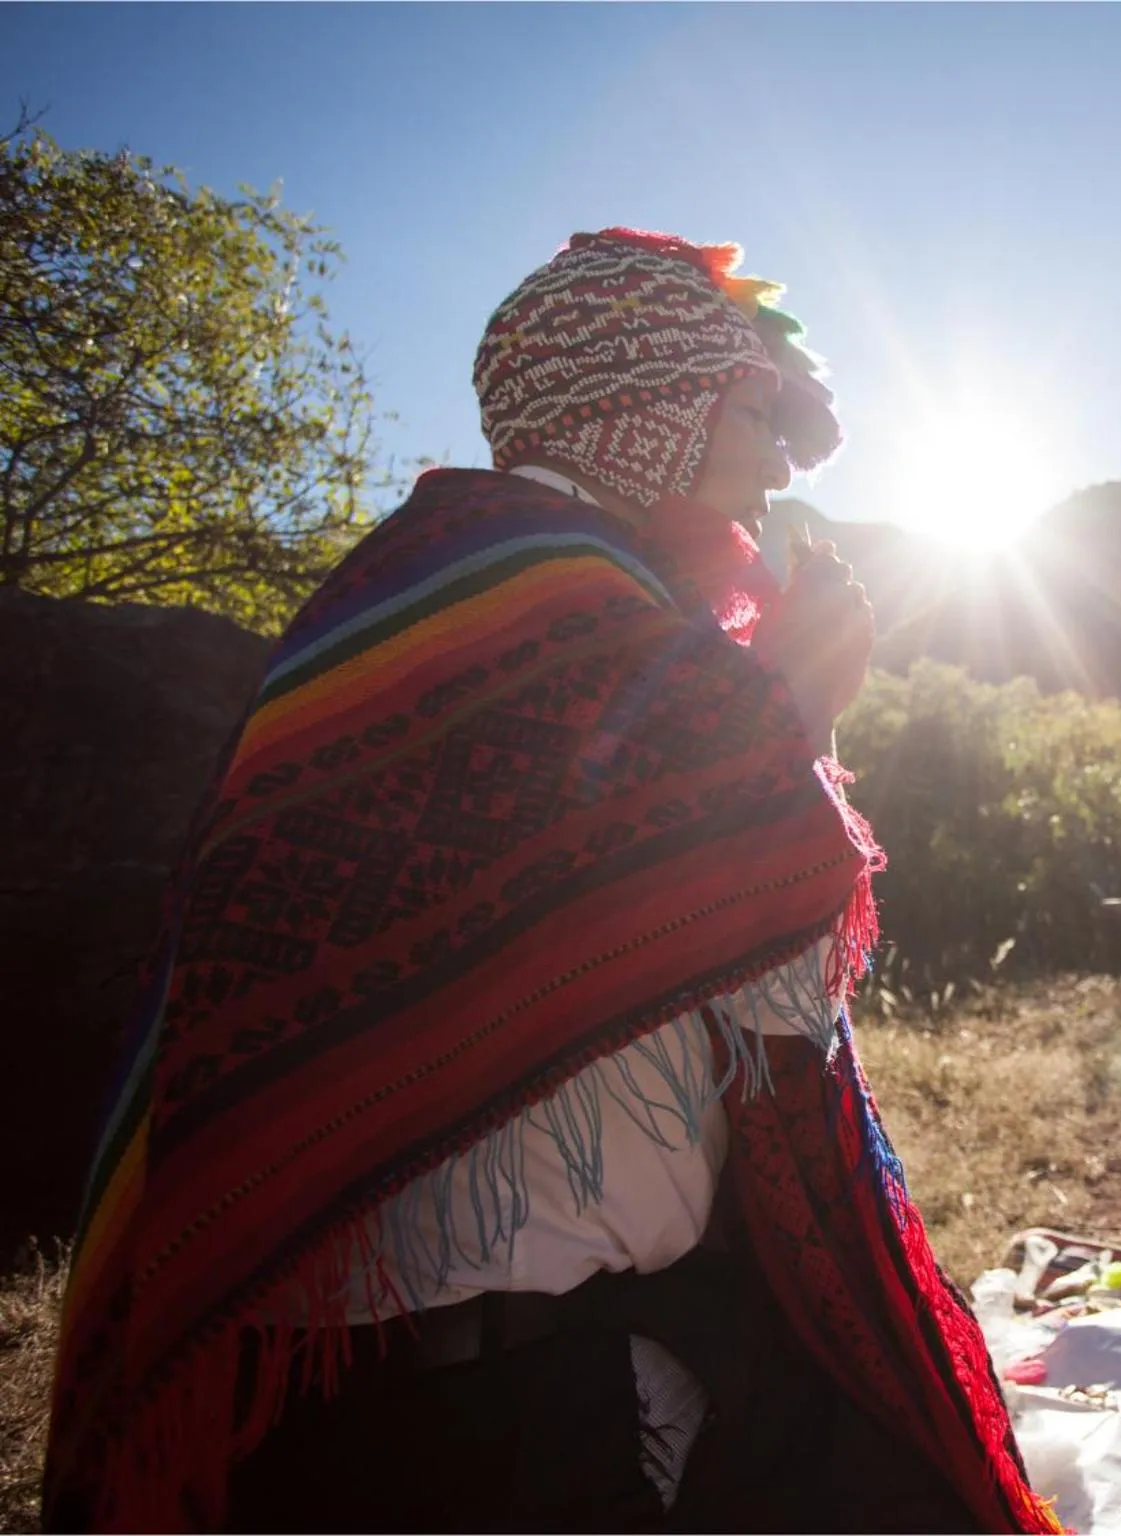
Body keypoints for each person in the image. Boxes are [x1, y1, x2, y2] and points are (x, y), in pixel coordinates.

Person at [43, 229, 1057, 1534]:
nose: (777, 457)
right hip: (519, 1425)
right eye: (750, 407)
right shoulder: (572, 616)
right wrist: (799, 703)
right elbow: (770, 993)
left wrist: (770, 711)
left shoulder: (420, 602)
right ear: (645, 414)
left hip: (415, 1399)